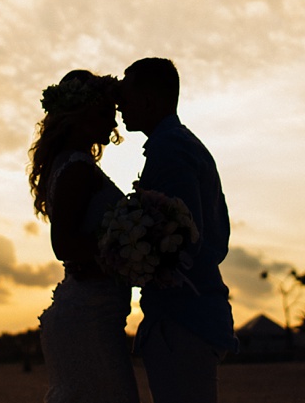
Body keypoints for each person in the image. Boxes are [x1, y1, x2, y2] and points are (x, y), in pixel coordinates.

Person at [118, 57, 237, 403]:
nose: (120, 106)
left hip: (184, 318)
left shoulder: (170, 147)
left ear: (149, 100)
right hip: (191, 314)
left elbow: (183, 237)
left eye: (125, 96)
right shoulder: (180, 143)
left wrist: (129, 254)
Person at [29, 70, 140, 403]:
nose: (113, 123)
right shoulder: (76, 167)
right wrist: (129, 249)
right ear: (81, 115)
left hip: (95, 313)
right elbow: (64, 245)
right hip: (87, 318)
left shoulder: (74, 164)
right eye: (106, 113)